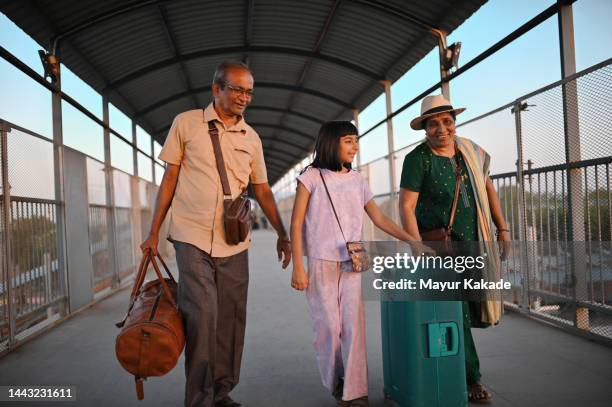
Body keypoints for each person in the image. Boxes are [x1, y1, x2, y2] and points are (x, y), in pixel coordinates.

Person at [140, 61, 292, 407]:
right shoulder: (186, 123)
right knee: (203, 316)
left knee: (231, 318)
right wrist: (153, 232)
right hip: (190, 234)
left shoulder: (251, 139)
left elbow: (263, 190)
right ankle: (199, 399)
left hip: (234, 240)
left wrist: (283, 234)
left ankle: (221, 392)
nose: (244, 97)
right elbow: (170, 180)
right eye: (237, 89)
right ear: (216, 89)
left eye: (249, 91)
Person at [290, 121, 422, 407]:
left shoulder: (358, 180)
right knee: (328, 327)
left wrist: (412, 240)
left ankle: (355, 391)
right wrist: (298, 267)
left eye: (356, 141)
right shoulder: (310, 177)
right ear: (331, 142)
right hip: (321, 263)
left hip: (352, 262)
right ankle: (336, 380)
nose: (355, 146)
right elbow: (297, 221)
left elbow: (380, 219)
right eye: (348, 141)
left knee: (353, 328)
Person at [399, 94, 511, 404]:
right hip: (441, 248)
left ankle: (451, 361)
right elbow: (406, 206)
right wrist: (415, 244)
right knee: (456, 309)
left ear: (455, 122)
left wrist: (502, 228)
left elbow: (487, 186)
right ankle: (470, 376)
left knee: (471, 307)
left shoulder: (469, 152)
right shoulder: (418, 159)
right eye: (433, 124)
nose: (441, 129)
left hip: (473, 239)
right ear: (425, 129)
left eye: (447, 122)